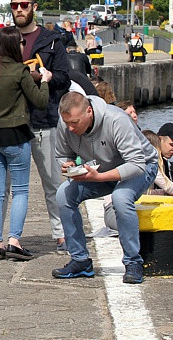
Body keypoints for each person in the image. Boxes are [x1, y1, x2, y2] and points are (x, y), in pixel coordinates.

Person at [0, 0, 70, 257]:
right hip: (6, 125)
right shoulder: (2, 39)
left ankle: (61, 234)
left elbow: (64, 78)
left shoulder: (52, 40)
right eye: (15, 5)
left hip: (41, 122)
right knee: (0, 189)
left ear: (34, 7)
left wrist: (43, 77)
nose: (19, 9)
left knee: (51, 181)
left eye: (24, 5)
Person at [53, 92, 158, 284]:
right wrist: (67, 165)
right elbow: (61, 154)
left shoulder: (117, 119)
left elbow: (137, 163)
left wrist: (99, 177)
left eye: (75, 122)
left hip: (142, 166)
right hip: (100, 168)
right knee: (63, 195)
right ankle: (80, 260)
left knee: (121, 197)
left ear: (89, 112)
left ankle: (133, 262)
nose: (70, 127)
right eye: (66, 122)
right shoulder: (66, 124)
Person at [0, 27, 51, 261]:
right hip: (16, 135)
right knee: (20, 190)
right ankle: (14, 241)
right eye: (21, 42)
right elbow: (40, 102)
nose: (23, 45)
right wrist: (45, 81)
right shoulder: (20, 71)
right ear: (13, 46)